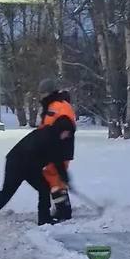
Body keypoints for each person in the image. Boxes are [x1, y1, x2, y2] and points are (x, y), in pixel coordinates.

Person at [0, 112, 76, 225]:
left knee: (43, 189)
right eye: (67, 132)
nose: (67, 136)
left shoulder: (52, 136)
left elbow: (57, 160)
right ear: (60, 129)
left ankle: (44, 219)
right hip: (17, 164)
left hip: (28, 165)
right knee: (7, 192)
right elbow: (56, 160)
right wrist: (63, 177)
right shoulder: (48, 137)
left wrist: (64, 178)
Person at [38, 76, 76, 222]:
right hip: (54, 148)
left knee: (53, 176)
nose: (41, 96)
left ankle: (63, 210)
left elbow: (67, 125)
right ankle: (62, 208)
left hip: (61, 149)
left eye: (43, 93)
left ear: (49, 92)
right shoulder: (52, 105)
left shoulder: (59, 105)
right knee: (54, 177)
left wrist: (60, 135)